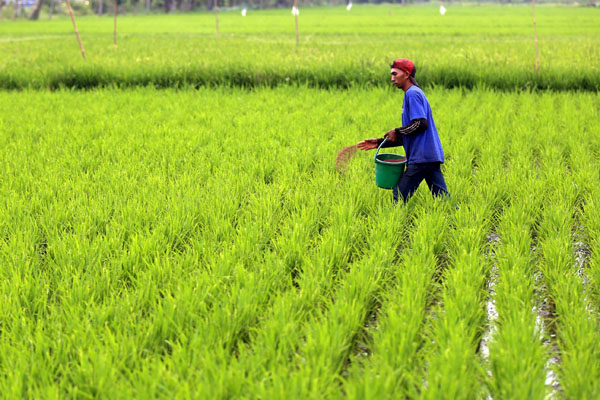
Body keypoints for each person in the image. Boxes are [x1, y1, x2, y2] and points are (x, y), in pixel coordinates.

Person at [357, 58, 449, 203]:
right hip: (429, 156)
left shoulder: (412, 94)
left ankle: (390, 223)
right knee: (442, 198)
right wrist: (379, 142)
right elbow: (413, 131)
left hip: (421, 157)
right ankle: (460, 221)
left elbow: (420, 124)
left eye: (395, 74)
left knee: (399, 196)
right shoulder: (414, 93)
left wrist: (397, 131)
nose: (392, 78)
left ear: (406, 74)